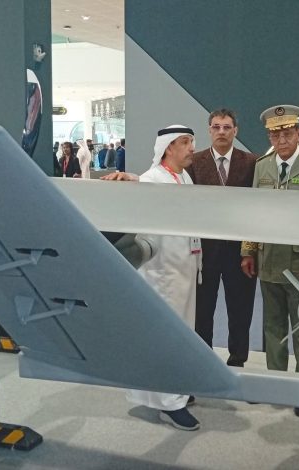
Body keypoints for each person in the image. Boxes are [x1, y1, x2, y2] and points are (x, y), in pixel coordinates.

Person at [240, 104, 299, 417]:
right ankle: (276, 383)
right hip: (269, 260)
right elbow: (254, 212)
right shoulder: (263, 166)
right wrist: (248, 250)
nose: (281, 139)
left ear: (298, 133)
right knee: (272, 325)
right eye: (275, 134)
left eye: (287, 133)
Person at [111, 125, 203, 431]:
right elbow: (143, 187)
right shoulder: (153, 178)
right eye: (185, 142)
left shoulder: (184, 177)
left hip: (185, 269)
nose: (192, 148)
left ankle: (178, 387)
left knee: (183, 334)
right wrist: (130, 180)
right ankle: (168, 402)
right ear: (168, 147)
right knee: (166, 336)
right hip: (162, 273)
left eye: (192, 142)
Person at [187, 109, 257, 367]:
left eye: (227, 127)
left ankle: (238, 359)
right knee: (202, 310)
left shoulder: (251, 162)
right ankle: (203, 359)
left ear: (235, 131)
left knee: (240, 309)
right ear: (209, 130)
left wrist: (250, 250)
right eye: (216, 127)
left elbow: (255, 208)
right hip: (204, 251)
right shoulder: (194, 162)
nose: (221, 132)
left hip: (240, 252)